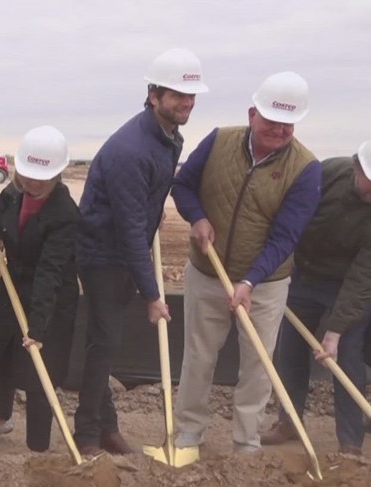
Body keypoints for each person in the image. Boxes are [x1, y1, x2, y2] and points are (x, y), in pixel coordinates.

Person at [172, 71, 322, 453]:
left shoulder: (306, 168)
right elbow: (183, 184)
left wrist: (251, 281)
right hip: (208, 272)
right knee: (198, 356)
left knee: (258, 365)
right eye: (272, 120)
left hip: (267, 285)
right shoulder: (219, 139)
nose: (279, 130)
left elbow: (285, 237)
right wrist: (197, 218)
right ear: (253, 113)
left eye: (287, 124)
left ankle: (246, 441)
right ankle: (190, 431)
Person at [72, 48, 208, 457]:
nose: (185, 103)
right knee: (105, 340)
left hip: (123, 248)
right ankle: (87, 434)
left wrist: (153, 214)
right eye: (176, 95)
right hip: (101, 255)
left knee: (107, 341)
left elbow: (143, 210)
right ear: (153, 95)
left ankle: (106, 426)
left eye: (191, 96)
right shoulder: (131, 150)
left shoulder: (170, 137)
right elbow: (130, 230)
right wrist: (153, 294)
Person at [0, 126, 78, 452]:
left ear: (57, 174)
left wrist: (38, 328)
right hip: (12, 286)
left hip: (51, 298)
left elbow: (49, 273)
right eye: (26, 174)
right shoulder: (14, 190)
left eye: (39, 179)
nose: (31, 183)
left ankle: (38, 449)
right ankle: (1, 420)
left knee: (38, 371)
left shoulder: (65, 214)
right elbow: (1, 209)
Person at [262, 140, 371, 455]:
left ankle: (349, 442)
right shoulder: (330, 172)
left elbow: (362, 278)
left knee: (347, 354)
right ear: (357, 168)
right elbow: (291, 210)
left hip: (346, 284)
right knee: (291, 348)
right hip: (305, 273)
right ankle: (289, 422)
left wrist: (335, 331)